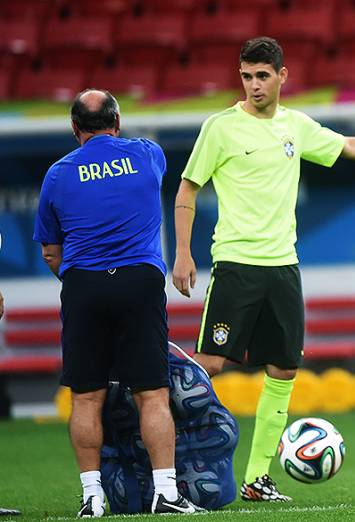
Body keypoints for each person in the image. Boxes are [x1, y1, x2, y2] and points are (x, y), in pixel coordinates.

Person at [171, 37, 355, 502]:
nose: (254, 85)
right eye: (246, 76)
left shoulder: (295, 126)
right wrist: (183, 253)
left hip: (283, 267)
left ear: (283, 76)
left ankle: (257, 478)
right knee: (209, 365)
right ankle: (163, 461)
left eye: (262, 76)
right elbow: (187, 189)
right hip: (236, 265)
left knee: (283, 370)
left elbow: (347, 146)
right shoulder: (220, 128)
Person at [33, 90, 201, 516]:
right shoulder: (148, 154)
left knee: (86, 398)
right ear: (117, 121)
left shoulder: (56, 174)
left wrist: (83, 283)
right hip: (139, 282)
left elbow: (51, 252)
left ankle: (93, 497)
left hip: (84, 285)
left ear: (74, 129)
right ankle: (166, 491)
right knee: (152, 394)